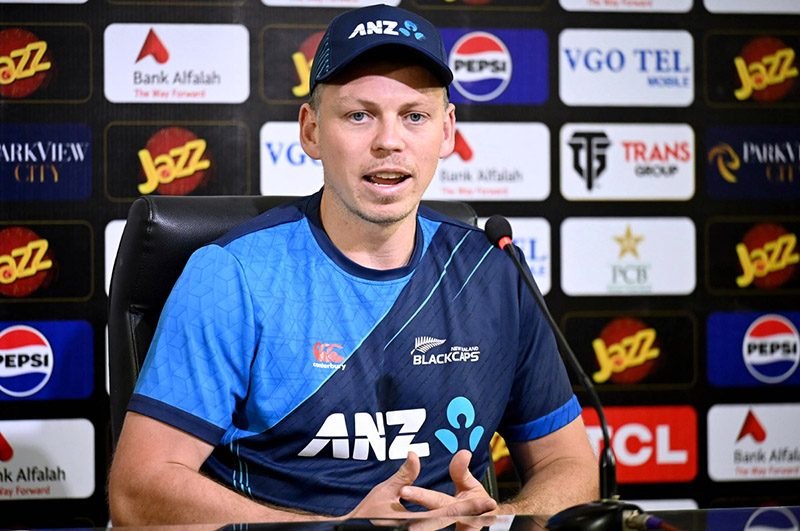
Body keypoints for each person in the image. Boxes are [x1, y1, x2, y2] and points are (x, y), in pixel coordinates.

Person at [108, 3, 599, 526]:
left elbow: (568, 464)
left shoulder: (495, 274)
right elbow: (140, 492)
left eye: (415, 116)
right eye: (359, 115)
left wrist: (501, 519)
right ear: (311, 131)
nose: (389, 141)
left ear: (447, 131)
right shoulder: (232, 276)